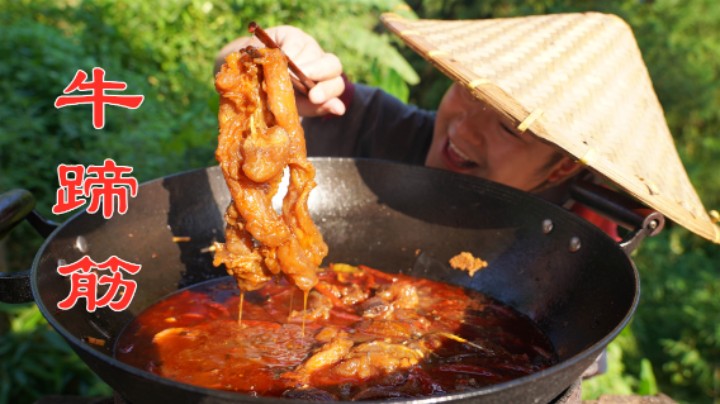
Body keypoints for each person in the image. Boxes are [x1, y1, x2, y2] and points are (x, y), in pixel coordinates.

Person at [214, 24, 619, 238]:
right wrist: (256, 64)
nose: (465, 128)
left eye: (509, 127)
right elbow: (227, 62)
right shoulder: (385, 128)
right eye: (467, 89)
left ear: (561, 169)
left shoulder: (581, 223)